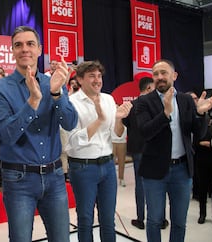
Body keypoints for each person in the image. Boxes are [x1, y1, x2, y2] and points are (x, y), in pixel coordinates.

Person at [0, 26, 78, 242]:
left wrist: (56, 93)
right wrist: (33, 101)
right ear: (12, 51)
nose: (24, 49)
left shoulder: (52, 82)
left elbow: (70, 122)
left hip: (55, 177)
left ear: (39, 49)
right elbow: (6, 135)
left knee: (61, 238)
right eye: (18, 45)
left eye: (30, 44)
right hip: (19, 180)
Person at [135, 59, 212, 242]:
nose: (159, 77)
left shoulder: (186, 100)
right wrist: (165, 113)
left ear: (174, 75)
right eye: (155, 74)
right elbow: (144, 132)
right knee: (155, 220)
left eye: (164, 73)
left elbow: (199, 133)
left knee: (179, 222)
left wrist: (201, 114)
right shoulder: (143, 102)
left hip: (182, 169)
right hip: (154, 171)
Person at [65, 60, 132, 242]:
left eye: (99, 76)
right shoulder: (71, 103)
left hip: (108, 166)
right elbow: (73, 142)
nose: (97, 80)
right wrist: (100, 120)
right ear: (79, 79)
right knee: (86, 219)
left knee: (108, 219)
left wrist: (119, 119)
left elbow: (117, 135)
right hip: (83, 168)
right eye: (91, 76)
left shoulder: (108, 99)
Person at [123, 76, 169, 230]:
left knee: (141, 185)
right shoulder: (159, 105)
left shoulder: (132, 105)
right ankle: (161, 219)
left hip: (138, 150)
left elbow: (126, 124)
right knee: (158, 182)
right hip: (156, 149)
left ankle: (141, 218)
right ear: (149, 88)